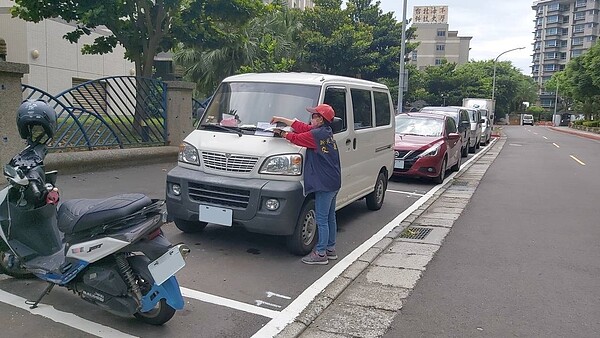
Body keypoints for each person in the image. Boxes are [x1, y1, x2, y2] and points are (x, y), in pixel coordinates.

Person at [271, 104, 342, 265]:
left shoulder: (315, 135)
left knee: (322, 219)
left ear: (321, 119)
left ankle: (320, 253)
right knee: (330, 216)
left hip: (324, 183)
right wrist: (281, 119)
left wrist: (281, 132)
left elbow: (296, 138)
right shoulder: (326, 132)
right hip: (333, 181)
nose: (311, 118)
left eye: (314, 116)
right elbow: (302, 127)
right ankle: (330, 248)